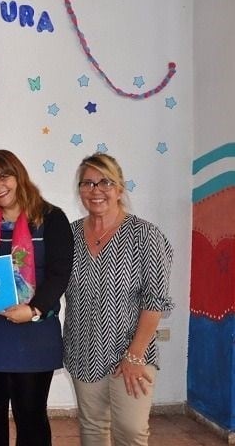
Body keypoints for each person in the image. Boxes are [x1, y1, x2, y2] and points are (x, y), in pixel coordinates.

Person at [0, 149, 73, 446]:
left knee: (32, 417)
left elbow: (60, 274)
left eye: (4, 176)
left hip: (34, 334)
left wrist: (33, 309)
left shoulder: (51, 218)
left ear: (19, 175)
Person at [63, 153, 173, 446]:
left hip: (132, 353)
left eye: (105, 182)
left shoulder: (145, 235)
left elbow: (156, 300)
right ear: (80, 190)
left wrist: (135, 356)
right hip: (83, 350)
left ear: (120, 188)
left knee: (131, 431)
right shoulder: (69, 235)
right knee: (92, 429)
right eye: (87, 183)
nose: (96, 190)